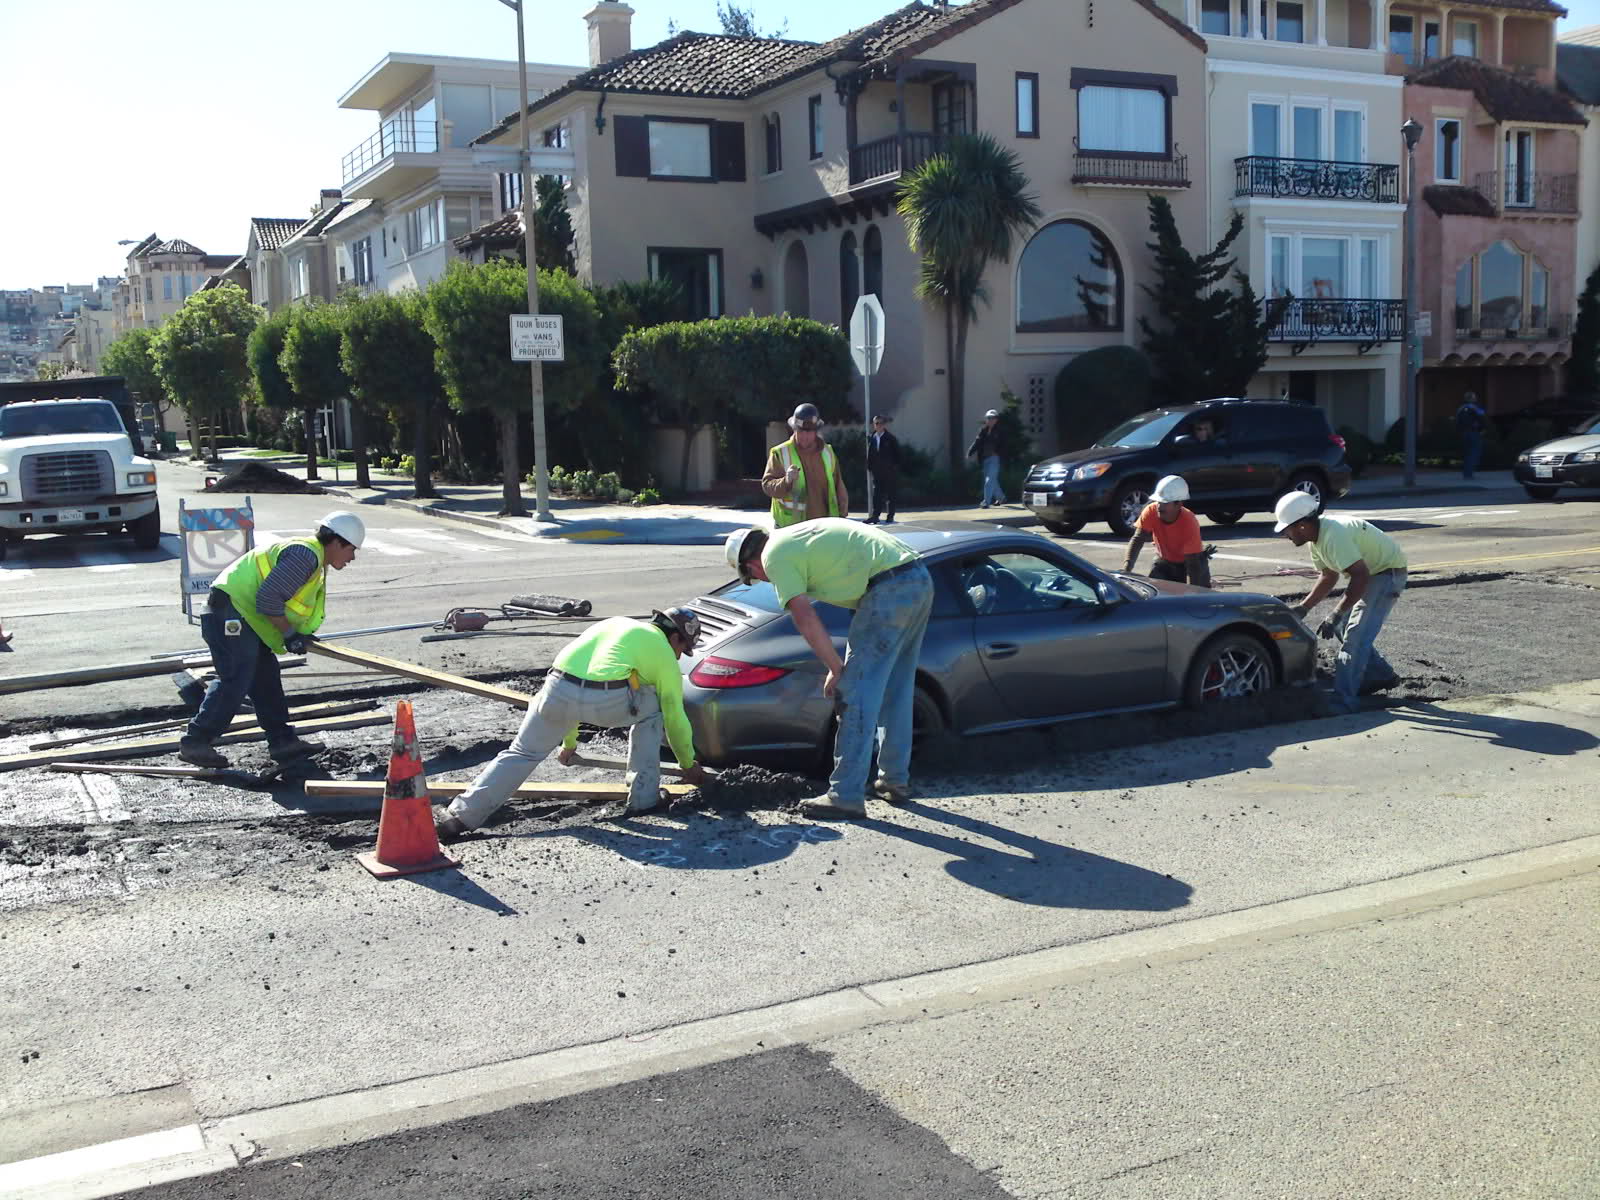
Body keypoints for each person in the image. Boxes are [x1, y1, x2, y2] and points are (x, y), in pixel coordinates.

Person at [435, 609, 710, 838]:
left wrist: (568, 744)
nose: (678, 657)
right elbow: (675, 716)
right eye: (682, 650)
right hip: (601, 699)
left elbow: (576, 684)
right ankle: (644, 800)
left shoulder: (615, 624)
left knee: (521, 753)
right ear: (676, 637)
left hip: (554, 689)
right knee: (655, 709)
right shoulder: (662, 652)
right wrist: (688, 764)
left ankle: (458, 818)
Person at [726, 519, 933, 820]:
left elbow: (805, 619)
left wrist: (837, 670)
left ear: (751, 565)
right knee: (895, 690)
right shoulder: (795, 539)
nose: (764, 581)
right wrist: (837, 666)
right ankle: (894, 781)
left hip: (888, 590)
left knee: (852, 693)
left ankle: (845, 795)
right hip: (917, 578)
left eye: (754, 578)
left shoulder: (775, 555)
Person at [178, 511, 366, 769]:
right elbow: (268, 599)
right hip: (230, 616)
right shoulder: (305, 556)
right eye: (352, 550)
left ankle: (282, 741)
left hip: (244, 618)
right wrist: (289, 635)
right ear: (337, 542)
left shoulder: (310, 555)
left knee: (265, 676)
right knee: (236, 678)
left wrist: (295, 633)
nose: (352, 557)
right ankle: (195, 741)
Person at [1274, 491, 1407, 713]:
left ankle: (1343, 701)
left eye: (1287, 528)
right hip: (1373, 572)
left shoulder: (1334, 534)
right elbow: (1328, 576)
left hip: (1386, 574)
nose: (1285, 534)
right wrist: (1304, 608)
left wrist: (1335, 613)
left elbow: (1360, 576)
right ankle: (1382, 675)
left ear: (1303, 525)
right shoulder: (1316, 538)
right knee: (1346, 626)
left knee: (1354, 636)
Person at [763, 403, 848, 528]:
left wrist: (842, 516)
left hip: (824, 528)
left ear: (815, 432)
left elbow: (838, 486)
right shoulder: (780, 453)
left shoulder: (828, 453)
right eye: (800, 431)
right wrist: (786, 481)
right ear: (794, 429)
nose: (804, 436)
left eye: (809, 432)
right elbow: (767, 485)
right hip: (791, 529)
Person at [1122, 475, 1211, 587]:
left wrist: (1192, 593)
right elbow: (1138, 539)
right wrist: (1127, 568)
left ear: (1178, 504)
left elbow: (1192, 564)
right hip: (1165, 562)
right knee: (1155, 595)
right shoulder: (1151, 511)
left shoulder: (1189, 522)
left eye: (1165, 503)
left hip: (1190, 565)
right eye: (1158, 501)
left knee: (1200, 598)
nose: (1159, 506)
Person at [968, 409, 1007, 508]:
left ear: (996, 419)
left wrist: (998, 454)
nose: (990, 420)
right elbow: (977, 442)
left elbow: (1004, 445)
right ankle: (1001, 498)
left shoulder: (1000, 431)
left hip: (995, 458)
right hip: (985, 459)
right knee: (992, 480)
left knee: (989, 480)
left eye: (993, 418)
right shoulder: (983, 430)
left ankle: (986, 502)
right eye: (989, 418)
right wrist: (970, 452)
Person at [865, 414, 900, 524]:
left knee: (891, 494)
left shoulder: (890, 438)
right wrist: (870, 467)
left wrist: (893, 467)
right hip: (877, 471)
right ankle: (875, 516)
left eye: (880, 423)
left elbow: (898, 455)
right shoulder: (872, 438)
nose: (878, 425)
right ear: (874, 425)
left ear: (884, 425)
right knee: (877, 494)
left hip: (889, 471)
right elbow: (870, 454)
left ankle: (890, 515)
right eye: (876, 423)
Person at [1455, 392, 1487, 479]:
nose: (1476, 398)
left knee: (1467, 453)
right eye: (1474, 397)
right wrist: (1482, 429)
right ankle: (1469, 474)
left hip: (1464, 433)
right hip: (1473, 433)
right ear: (1471, 399)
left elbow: (1457, 422)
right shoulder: (1475, 408)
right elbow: (1482, 418)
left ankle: (1466, 473)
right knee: (1474, 453)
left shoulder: (1460, 409)